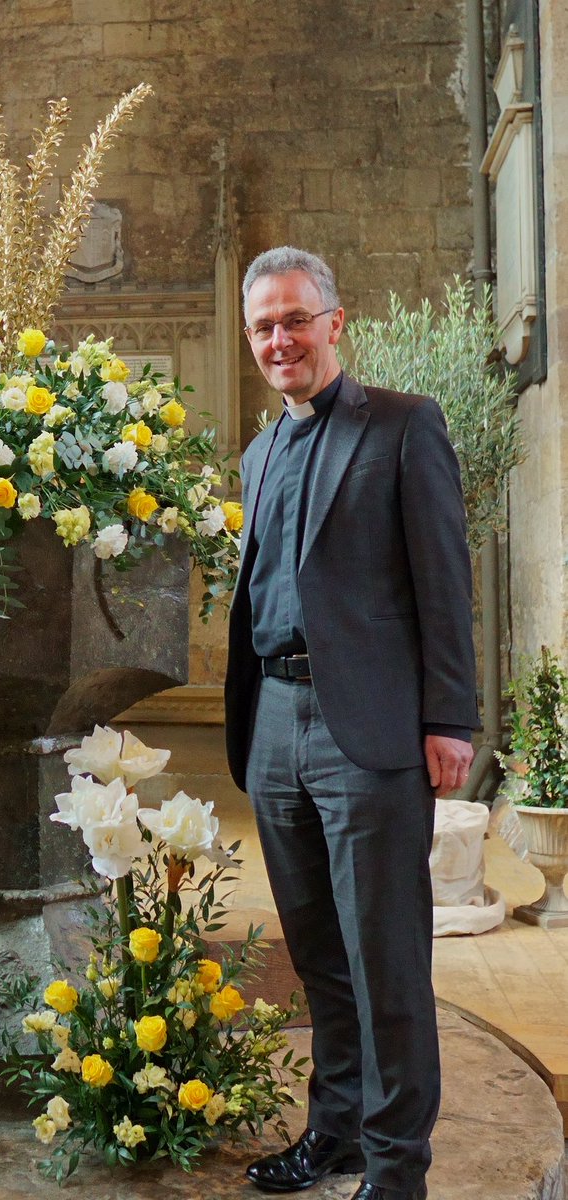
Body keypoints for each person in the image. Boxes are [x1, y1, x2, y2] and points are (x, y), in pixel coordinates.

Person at [224, 248, 477, 1200]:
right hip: (275, 725)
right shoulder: (258, 453)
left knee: (384, 955)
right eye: (263, 327)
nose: (279, 339)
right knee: (317, 957)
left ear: (335, 322)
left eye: (294, 319)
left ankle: (396, 1165)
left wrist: (449, 716)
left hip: (366, 730)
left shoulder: (405, 427)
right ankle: (332, 1131)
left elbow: (443, 585)